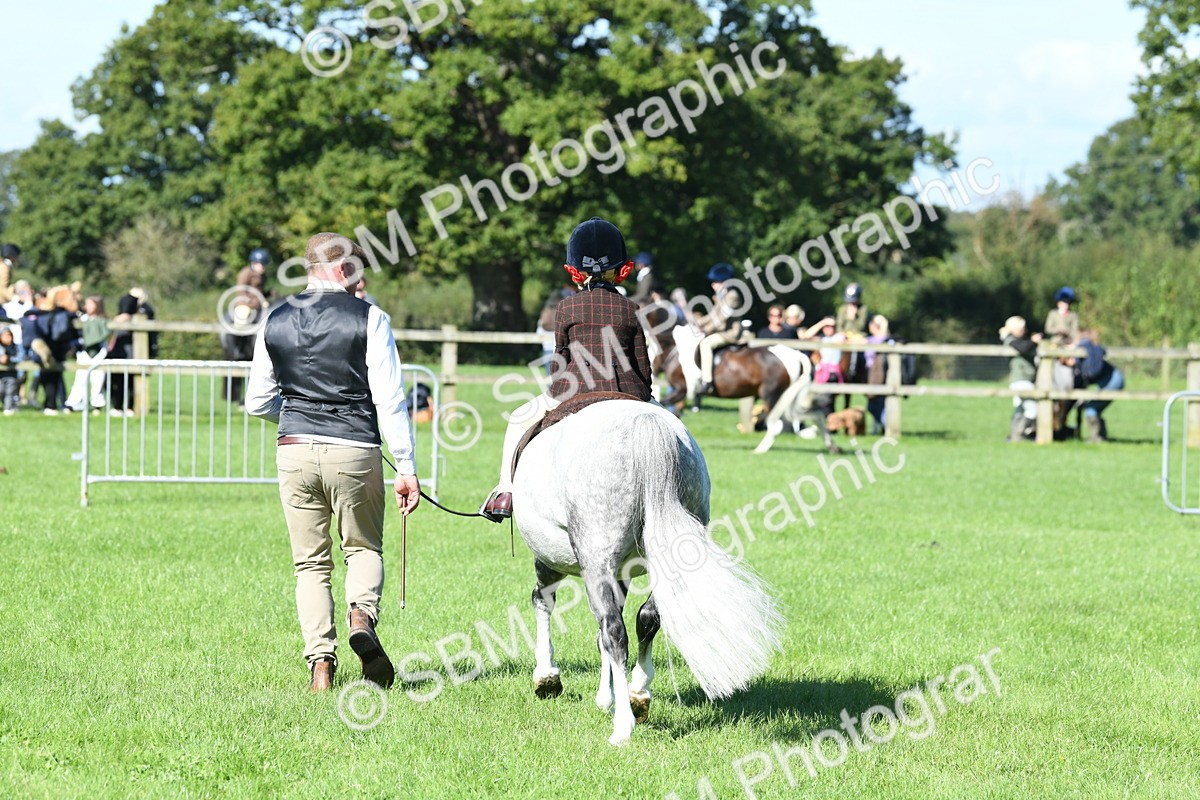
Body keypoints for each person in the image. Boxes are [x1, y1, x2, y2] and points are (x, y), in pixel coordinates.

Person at [246, 232, 420, 692]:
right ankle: (361, 614)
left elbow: (257, 401)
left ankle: (321, 665)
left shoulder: (275, 317)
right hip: (355, 449)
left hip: (294, 448)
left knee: (310, 565)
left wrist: (295, 418)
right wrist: (405, 464)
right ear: (343, 268)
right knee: (362, 548)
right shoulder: (371, 318)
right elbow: (389, 398)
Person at [480, 217, 652, 521]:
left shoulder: (566, 307)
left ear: (577, 270)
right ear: (619, 268)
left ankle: (505, 492)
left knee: (519, 419)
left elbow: (559, 361)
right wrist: (645, 397)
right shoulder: (632, 309)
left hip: (575, 389)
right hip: (628, 392)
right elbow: (642, 366)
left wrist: (559, 390)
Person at [696, 262, 748, 395]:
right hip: (721, 331)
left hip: (731, 334)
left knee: (705, 343)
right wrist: (697, 323)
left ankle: (707, 382)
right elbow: (712, 315)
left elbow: (722, 318)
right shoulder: (721, 295)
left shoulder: (732, 296)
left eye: (716, 282)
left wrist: (706, 330)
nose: (713, 284)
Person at [1074, 329, 1124, 443]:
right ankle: (1102, 436)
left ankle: (1096, 438)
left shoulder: (1083, 347)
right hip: (1112, 379)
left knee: (1091, 408)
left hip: (1113, 380)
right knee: (1094, 407)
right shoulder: (1091, 346)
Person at [1044, 286, 1080, 433]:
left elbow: (1075, 331)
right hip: (1054, 346)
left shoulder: (1073, 316)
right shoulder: (1053, 314)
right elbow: (1048, 328)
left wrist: (1071, 341)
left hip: (1066, 348)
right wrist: (1058, 331)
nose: (1065, 305)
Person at [999, 315, 1040, 442]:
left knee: (1020, 408)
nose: (1025, 330)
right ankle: (1020, 433)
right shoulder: (1011, 340)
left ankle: (1014, 436)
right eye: (1022, 328)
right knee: (1033, 409)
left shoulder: (1019, 340)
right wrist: (1034, 341)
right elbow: (1023, 348)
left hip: (1024, 380)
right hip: (1021, 379)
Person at [65, 296, 110, 413]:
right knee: (80, 378)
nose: (87, 306)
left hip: (99, 353)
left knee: (97, 379)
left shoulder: (103, 320)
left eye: (90, 304)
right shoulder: (82, 319)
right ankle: (73, 403)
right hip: (84, 352)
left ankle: (97, 404)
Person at [864, 314, 891, 433]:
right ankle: (880, 427)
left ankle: (887, 427)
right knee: (873, 405)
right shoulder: (871, 339)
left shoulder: (884, 340)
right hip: (871, 374)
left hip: (879, 375)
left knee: (878, 403)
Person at [0, 327, 19, 415]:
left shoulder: (15, 347)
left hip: (12, 374)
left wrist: (9, 359)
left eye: (10, 336)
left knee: (10, 392)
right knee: (1, 391)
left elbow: (20, 358)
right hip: (1, 375)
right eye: (6, 336)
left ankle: (8, 409)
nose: (9, 338)